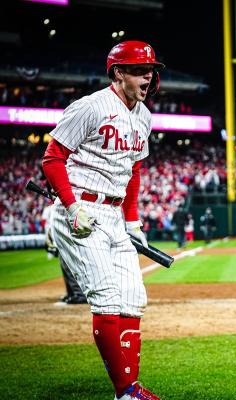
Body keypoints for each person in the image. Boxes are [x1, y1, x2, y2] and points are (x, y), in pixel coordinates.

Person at [42, 41, 164, 400]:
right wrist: (70, 205)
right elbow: (52, 158)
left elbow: (134, 170)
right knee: (108, 299)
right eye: (141, 70)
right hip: (81, 209)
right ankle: (126, 392)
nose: (149, 76)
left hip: (114, 213)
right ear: (118, 73)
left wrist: (133, 221)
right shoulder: (91, 106)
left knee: (132, 297)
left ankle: (130, 388)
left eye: (152, 70)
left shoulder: (144, 115)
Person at [42, 203, 87, 305]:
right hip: (60, 238)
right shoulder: (55, 207)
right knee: (65, 266)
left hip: (67, 238)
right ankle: (71, 293)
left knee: (69, 267)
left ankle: (78, 294)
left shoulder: (68, 205)